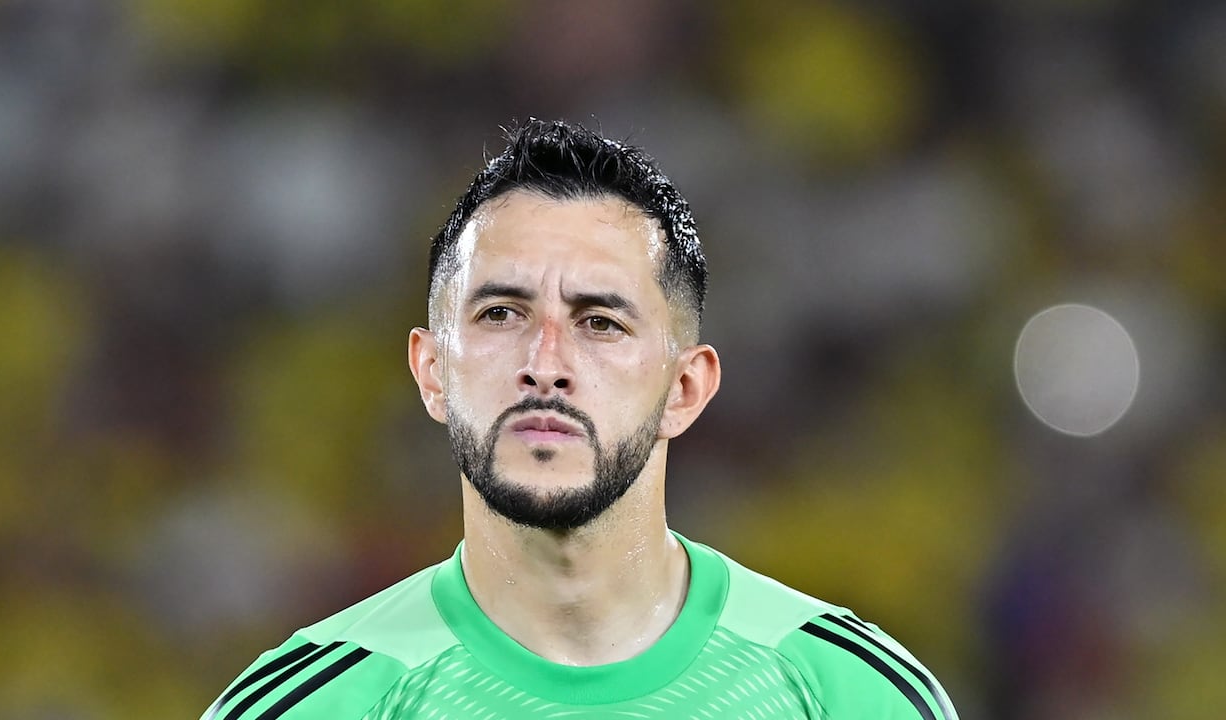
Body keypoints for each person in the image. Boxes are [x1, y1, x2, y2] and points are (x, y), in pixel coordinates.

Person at [201, 119, 959, 720]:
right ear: (432, 371)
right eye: (501, 313)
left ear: (684, 389)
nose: (546, 363)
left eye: (600, 322)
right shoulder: (316, 704)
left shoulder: (850, 696)